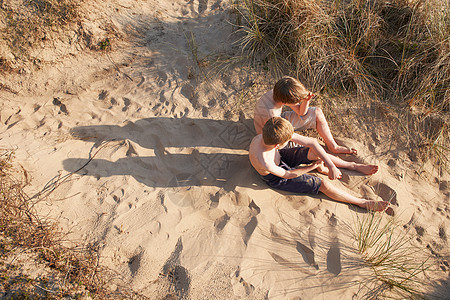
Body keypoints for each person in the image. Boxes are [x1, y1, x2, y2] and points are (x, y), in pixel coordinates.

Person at [249, 117, 388, 211]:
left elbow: (312, 143)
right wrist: (312, 167)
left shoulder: (269, 134)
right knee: (324, 185)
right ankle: (361, 202)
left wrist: (331, 165)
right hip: (277, 177)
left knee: (314, 152)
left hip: (280, 156)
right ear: (277, 145)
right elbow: (289, 174)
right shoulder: (264, 160)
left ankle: (351, 166)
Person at [253, 76, 357, 154]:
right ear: (286, 102)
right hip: (275, 138)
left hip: (278, 123)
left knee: (317, 112)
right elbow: (280, 134)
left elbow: (301, 112)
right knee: (314, 151)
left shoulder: (277, 93)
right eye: (297, 102)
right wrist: (312, 143)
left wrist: (306, 100)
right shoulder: (271, 115)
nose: (298, 103)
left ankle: (333, 146)